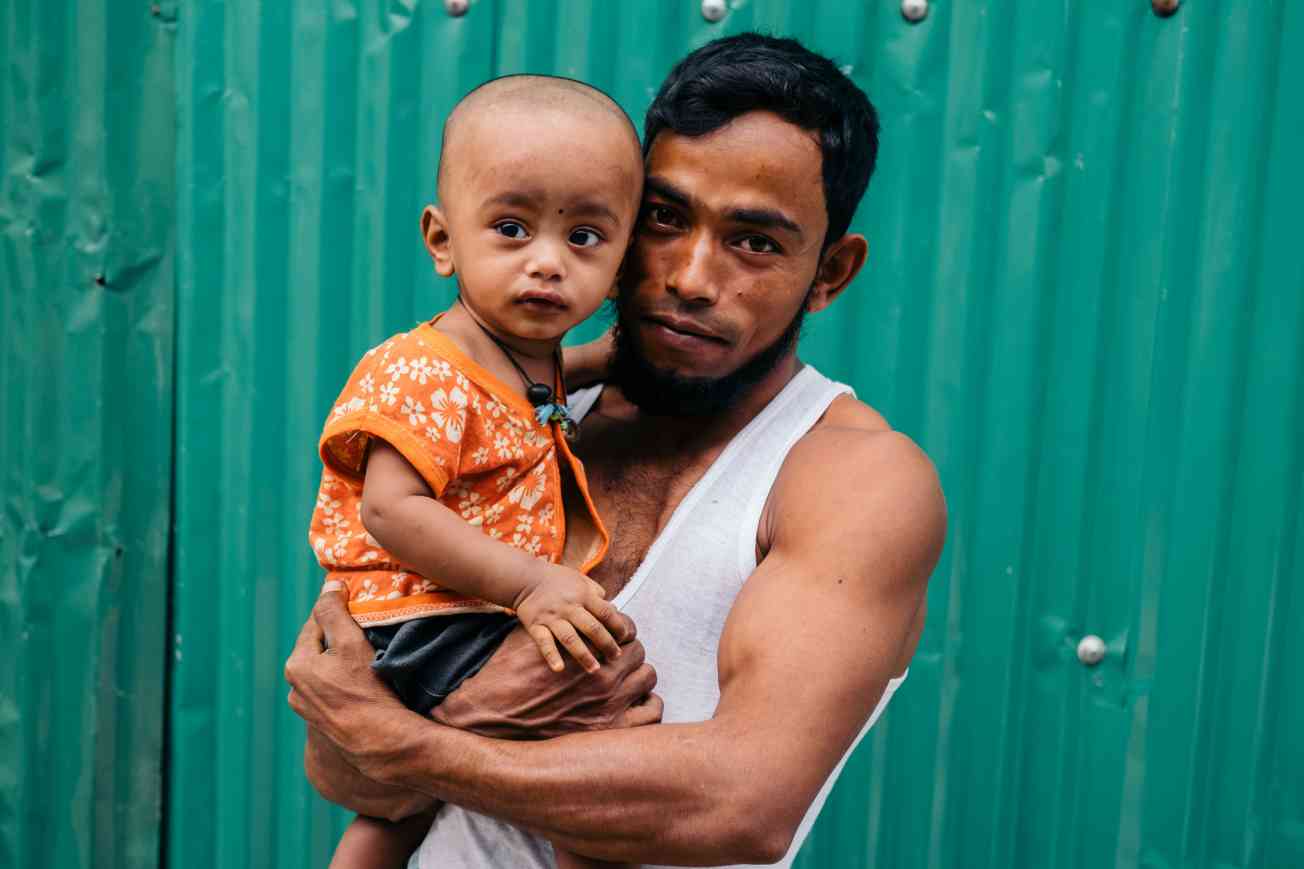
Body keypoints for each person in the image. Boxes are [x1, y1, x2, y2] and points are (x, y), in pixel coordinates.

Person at [286, 33, 947, 868]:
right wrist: (415, 730)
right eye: (666, 219)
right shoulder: (517, 416)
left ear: (831, 272)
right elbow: (341, 748)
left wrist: (415, 743)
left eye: (754, 241)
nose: (691, 276)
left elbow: (740, 803)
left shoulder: (853, 479)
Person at [306, 76, 645, 868]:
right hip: (425, 619)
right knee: (602, 725)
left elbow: (554, 378)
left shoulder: (523, 353)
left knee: (407, 806)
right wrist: (529, 583)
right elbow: (393, 510)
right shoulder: (428, 368)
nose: (548, 264)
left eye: (586, 238)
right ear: (441, 239)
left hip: (448, 612)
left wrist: (621, 360)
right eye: (511, 227)